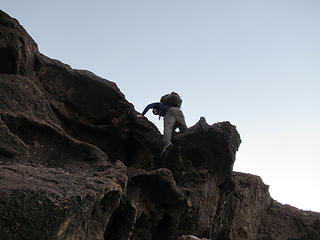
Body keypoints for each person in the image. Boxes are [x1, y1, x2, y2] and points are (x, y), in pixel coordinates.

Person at [137, 94, 209, 157]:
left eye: (155, 111)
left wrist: (142, 115)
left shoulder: (158, 104)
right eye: (155, 113)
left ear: (155, 108)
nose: (156, 113)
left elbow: (149, 106)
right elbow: (173, 126)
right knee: (184, 131)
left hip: (170, 111)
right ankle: (199, 125)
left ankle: (167, 143)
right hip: (178, 111)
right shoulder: (166, 107)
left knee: (167, 128)